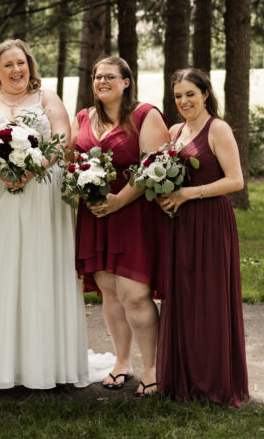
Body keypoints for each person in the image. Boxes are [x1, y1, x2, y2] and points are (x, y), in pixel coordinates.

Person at [0, 39, 89, 393]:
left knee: (38, 267)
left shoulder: (48, 98)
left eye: (22, 63)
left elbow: (61, 136)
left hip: (41, 191)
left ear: (30, 65)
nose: (17, 70)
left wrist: (36, 166)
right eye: (8, 65)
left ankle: (43, 361)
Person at [71, 56, 169, 397]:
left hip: (133, 214)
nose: (102, 82)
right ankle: (122, 361)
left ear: (127, 81)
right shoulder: (84, 117)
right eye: (97, 76)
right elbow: (71, 160)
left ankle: (153, 367)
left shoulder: (145, 115)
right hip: (95, 214)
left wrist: (118, 201)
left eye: (110, 76)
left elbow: (153, 168)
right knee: (109, 292)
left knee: (135, 294)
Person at [156, 68, 249, 406]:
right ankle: (184, 382)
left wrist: (189, 194)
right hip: (180, 223)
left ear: (205, 94)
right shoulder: (174, 130)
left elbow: (235, 180)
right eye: (178, 96)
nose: (184, 101)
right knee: (184, 299)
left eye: (190, 95)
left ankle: (214, 383)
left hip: (210, 222)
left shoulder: (218, 129)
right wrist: (166, 196)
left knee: (209, 301)